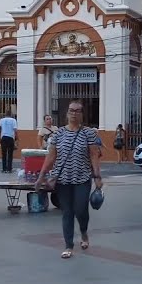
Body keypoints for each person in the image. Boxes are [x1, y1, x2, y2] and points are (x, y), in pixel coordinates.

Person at [36, 100, 104, 259]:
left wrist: (97, 176)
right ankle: (68, 245)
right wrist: (41, 176)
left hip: (82, 178)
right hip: (62, 179)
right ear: (67, 113)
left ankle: (84, 232)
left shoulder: (89, 133)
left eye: (77, 111)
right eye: (71, 110)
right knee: (67, 212)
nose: (74, 113)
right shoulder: (58, 134)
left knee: (81, 210)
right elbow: (51, 157)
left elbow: (94, 155)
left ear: (82, 114)